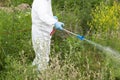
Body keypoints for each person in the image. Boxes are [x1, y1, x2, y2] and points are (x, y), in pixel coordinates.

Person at [31, 0, 64, 71]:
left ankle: (31, 73)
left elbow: (46, 13)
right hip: (40, 33)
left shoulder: (46, 1)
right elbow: (43, 16)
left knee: (40, 56)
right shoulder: (40, 1)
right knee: (43, 58)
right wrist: (54, 22)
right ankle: (41, 76)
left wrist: (52, 18)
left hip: (44, 32)